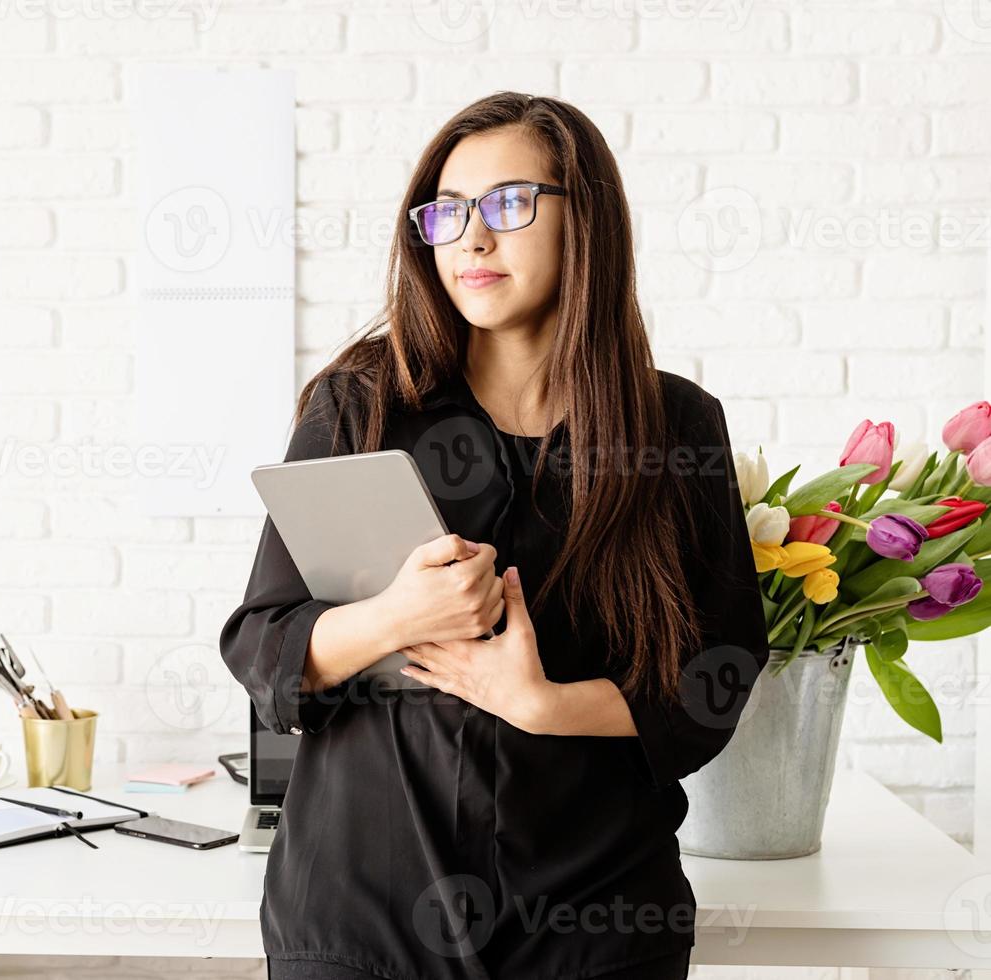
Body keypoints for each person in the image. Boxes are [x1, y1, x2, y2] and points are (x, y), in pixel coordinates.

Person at [218, 92, 770, 980]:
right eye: (447, 212)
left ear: (582, 218)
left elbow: (721, 666)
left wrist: (544, 703)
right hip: (361, 919)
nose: (472, 238)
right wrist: (397, 615)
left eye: (509, 203)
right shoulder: (361, 404)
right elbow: (263, 645)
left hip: (596, 924)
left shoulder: (672, 424)